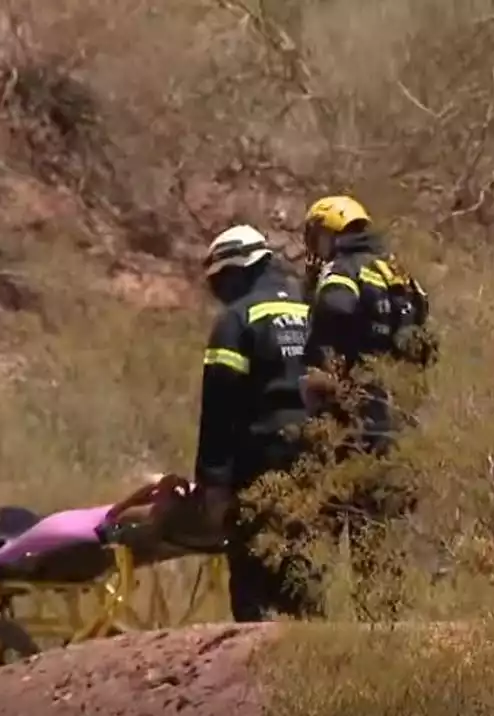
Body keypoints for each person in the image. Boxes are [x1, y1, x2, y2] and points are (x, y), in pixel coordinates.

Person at [298, 195, 437, 618]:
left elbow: (337, 308)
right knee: (381, 537)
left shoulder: (342, 271)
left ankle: (326, 635)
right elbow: (425, 342)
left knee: (329, 527)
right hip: (398, 423)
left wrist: (322, 364)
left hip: (352, 421)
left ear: (328, 232)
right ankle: (387, 622)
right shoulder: (400, 274)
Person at [186, 224, 318, 622]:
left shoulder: (237, 320)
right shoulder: (312, 308)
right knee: (305, 568)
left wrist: (212, 481)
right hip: (316, 457)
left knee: (252, 575)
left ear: (234, 270)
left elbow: (219, 408)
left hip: (260, 460)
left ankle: (252, 666)